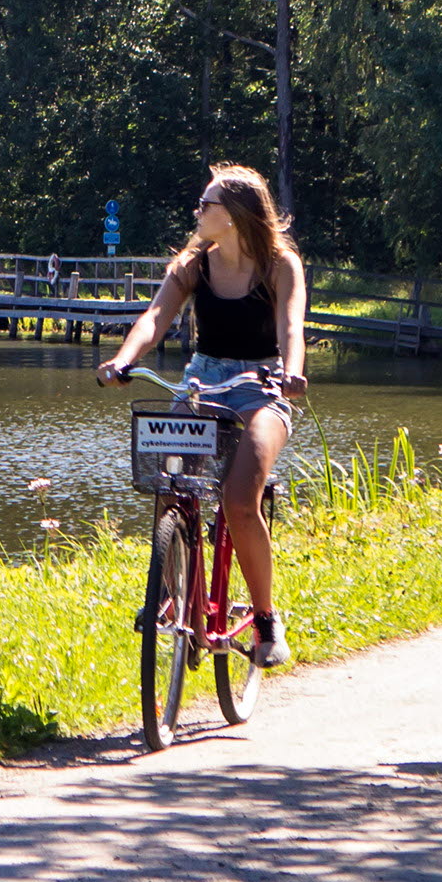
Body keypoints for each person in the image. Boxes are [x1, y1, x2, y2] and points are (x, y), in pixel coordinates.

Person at [95, 163, 311, 667]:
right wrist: (126, 360)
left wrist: (293, 373)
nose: (198, 212)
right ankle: (173, 589)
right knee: (167, 478)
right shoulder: (193, 264)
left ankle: (264, 619)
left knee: (239, 500)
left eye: (206, 204)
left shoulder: (281, 265)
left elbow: (291, 328)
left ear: (234, 215)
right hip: (202, 380)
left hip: (261, 385)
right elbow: (154, 318)